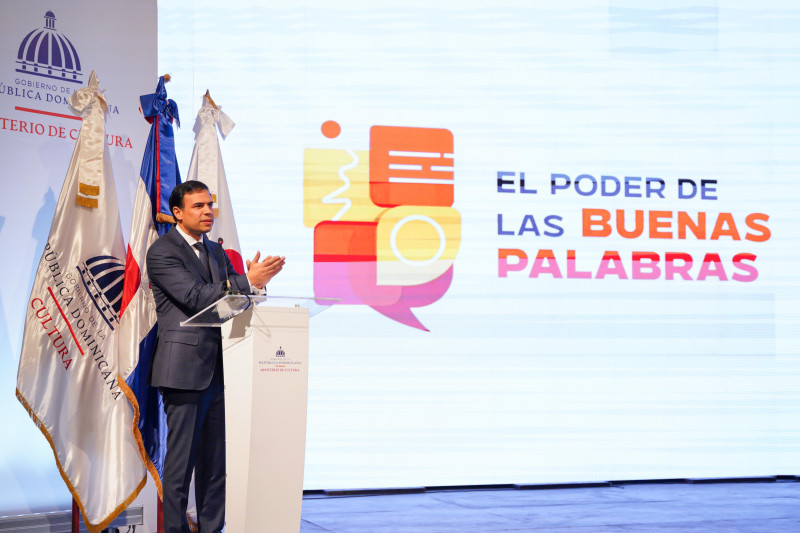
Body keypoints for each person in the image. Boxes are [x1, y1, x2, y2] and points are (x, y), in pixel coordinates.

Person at [147, 180, 284, 533]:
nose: (208, 211)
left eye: (210, 205)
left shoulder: (215, 251)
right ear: (178, 213)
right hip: (183, 371)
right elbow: (195, 297)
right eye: (199, 206)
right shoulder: (162, 252)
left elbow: (230, 301)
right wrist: (246, 281)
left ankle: (212, 529)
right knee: (180, 466)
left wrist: (256, 283)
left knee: (214, 464)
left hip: (220, 369)